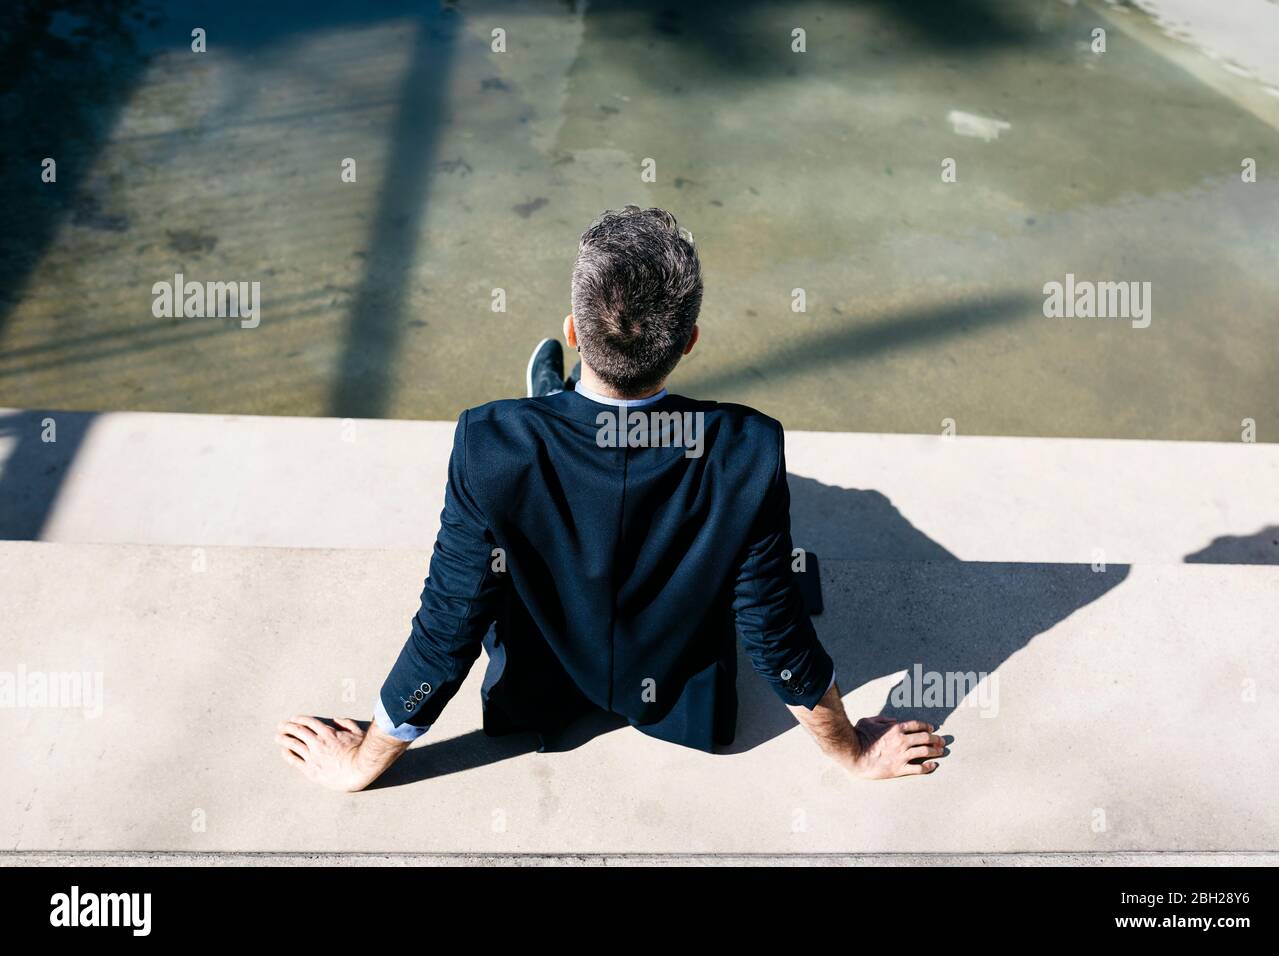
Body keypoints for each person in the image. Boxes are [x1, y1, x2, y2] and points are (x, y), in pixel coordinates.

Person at [275, 205, 943, 791]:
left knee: (540, 455)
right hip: (685, 709)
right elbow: (774, 635)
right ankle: (565, 404)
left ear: (572, 329)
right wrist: (852, 752)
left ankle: (560, 403)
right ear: (689, 345)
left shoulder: (489, 443)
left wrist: (367, 758)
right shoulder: (748, 448)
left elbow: (451, 622)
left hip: (539, 698)